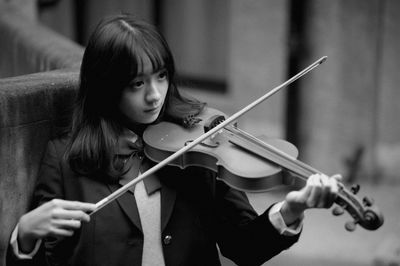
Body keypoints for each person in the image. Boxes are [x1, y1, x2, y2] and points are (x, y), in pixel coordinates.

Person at [8, 14, 340, 266]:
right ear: (105, 87)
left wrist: (292, 209)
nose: (154, 95)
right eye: (137, 84)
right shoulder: (65, 159)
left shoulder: (198, 147)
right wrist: (25, 237)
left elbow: (243, 247)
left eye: (162, 76)